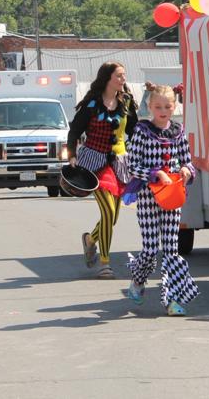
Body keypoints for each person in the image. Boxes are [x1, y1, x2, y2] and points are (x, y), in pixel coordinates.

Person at [125, 84, 198, 316]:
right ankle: (138, 280)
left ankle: (172, 300)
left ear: (174, 106)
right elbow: (132, 165)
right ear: (150, 106)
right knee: (149, 249)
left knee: (171, 251)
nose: (163, 110)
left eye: (167, 106)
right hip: (148, 196)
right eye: (158, 106)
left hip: (172, 196)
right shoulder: (142, 131)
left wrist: (187, 171)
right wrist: (156, 173)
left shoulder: (178, 132)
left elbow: (187, 161)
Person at [67, 61, 138, 279]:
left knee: (113, 217)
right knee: (107, 212)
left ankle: (90, 240)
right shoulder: (91, 105)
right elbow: (74, 132)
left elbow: (134, 131)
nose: (123, 79)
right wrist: (71, 155)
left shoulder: (126, 102)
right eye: (119, 76)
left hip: (120, 162)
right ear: (107, 78)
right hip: (94, 162)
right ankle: (105, 263)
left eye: (124, 75)